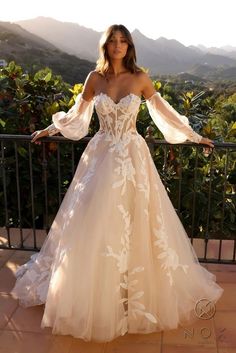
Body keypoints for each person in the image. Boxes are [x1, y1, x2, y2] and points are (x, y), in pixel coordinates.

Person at [11, 24, 223, 342]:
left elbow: (163, 112)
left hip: (133, 159)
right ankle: (96, 291)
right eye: (113, 41)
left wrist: (195, 136)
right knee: (96, 223)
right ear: (106, 45)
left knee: (139, 221)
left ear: (129, 46)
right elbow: (76, 114)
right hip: (100, 157)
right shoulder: (94, 78)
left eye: (123, 41)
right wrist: (48, 130)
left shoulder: (140, 78)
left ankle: (130, 293)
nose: (118, 45)